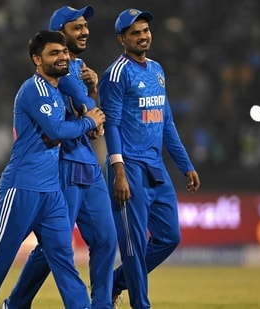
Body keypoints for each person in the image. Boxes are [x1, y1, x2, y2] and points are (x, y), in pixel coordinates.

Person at [0, 30, 105, 309]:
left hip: (51, 192)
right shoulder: (34, 89)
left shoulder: (56, 91)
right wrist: (89, 121)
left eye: (64, 52)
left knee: (64, 261)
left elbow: (61, 130)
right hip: (22, 188)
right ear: (37, 60)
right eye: (54, 53)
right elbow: (56, 129)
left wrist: (89, 98)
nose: (63, 57)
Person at [0, 5, 117, 309]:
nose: (85, 31)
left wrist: (92, 92)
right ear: (60, 34)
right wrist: (89, 107)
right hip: (63, 164)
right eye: (76, 27)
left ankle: (102, 304)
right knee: (56, 246)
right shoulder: (58, 74)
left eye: (85, 26)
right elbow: (77, 117)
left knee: (105, 238)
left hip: (87, 163)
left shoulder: (79, 70)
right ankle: (15, 303)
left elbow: (94, 123)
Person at [98, 8, 201, 309]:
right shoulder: (115, 74)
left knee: (169, 237)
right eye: (135, 33)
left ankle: (115, 283)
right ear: (122, 39)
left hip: (156, 167)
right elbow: (112, 125)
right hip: (128, 166)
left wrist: (186, 164)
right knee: (134, 246)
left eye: (145, 31)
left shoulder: (157, 69)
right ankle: (140, 305)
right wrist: (119, 172)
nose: (143, 36)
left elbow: (165, 122)